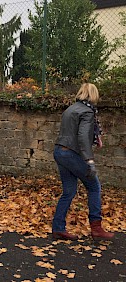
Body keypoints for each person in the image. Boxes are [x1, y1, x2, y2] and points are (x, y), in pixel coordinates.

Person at [52, 83, 114, 241]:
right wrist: (90, 161)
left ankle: (58, 228)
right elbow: (82, 138)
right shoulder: (87, 111)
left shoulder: (71, 109)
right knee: (94, 187)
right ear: (93, 95)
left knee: (69, 192)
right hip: (71, 154)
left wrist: (96, 136)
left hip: (60, 151)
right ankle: (97, 228)